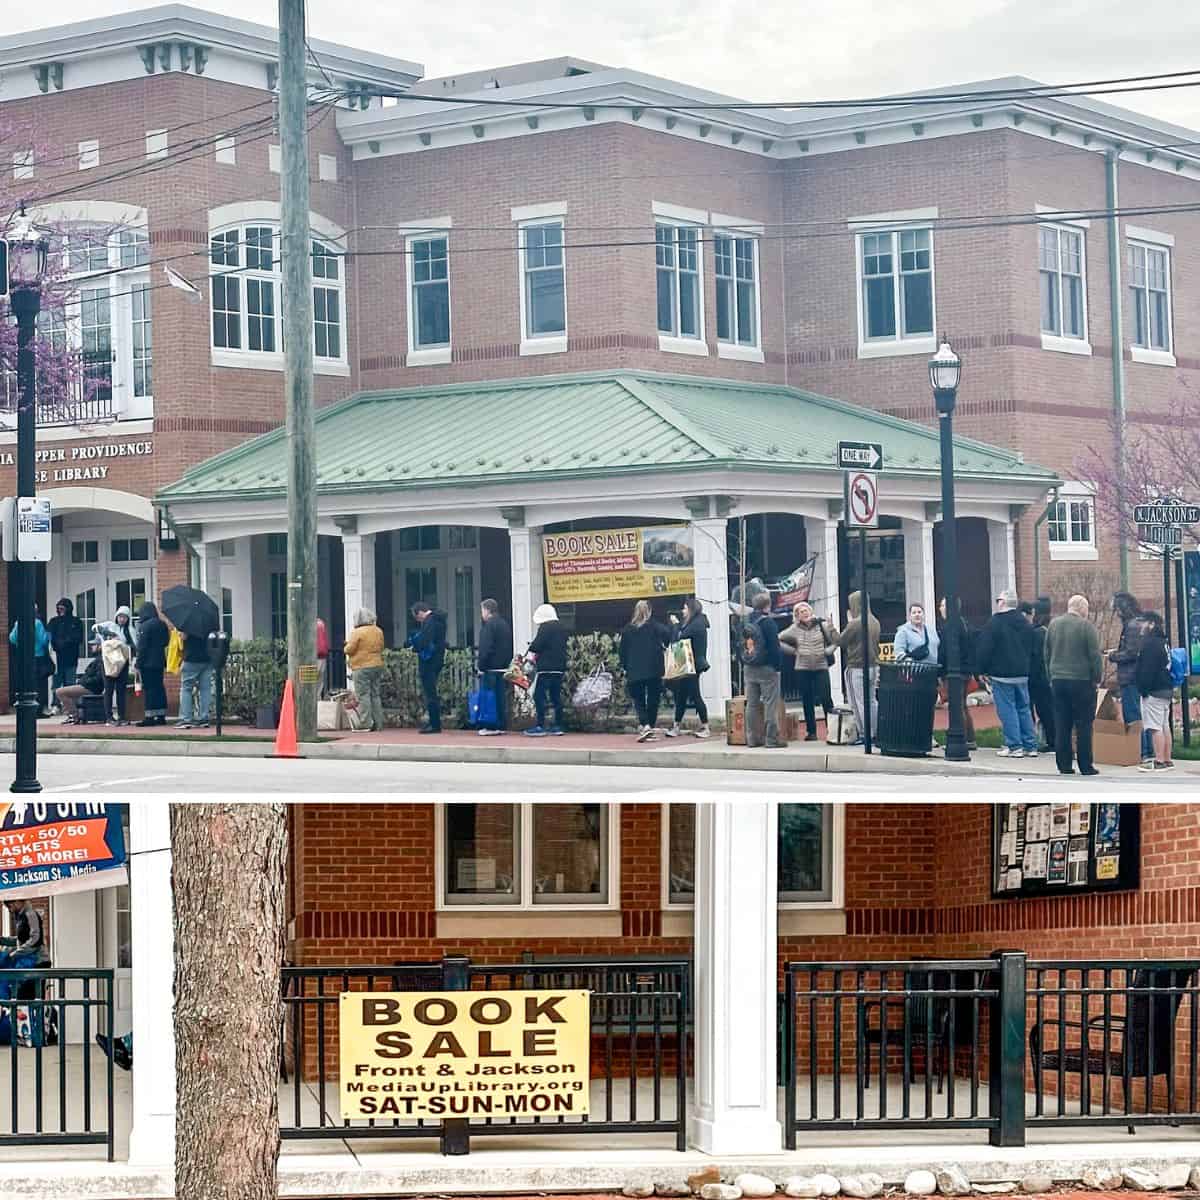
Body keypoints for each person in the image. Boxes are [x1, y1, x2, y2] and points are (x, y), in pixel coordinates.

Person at [1044, 593, 1103, 776]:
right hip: (1081, 681)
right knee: (1084, 725)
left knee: (1062, 724)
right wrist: (1097, 678)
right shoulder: (1086, 627)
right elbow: (1095, 656)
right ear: (1082, 608)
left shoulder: (1053, 625)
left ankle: (1064, 765)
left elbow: (1046, 654)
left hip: (1058, 680)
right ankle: (1086, 765)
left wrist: (1051, 676)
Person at [975, 588, 1038, 758]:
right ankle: (1030, 745)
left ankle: (1014, 745)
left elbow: (985, 648)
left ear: (1002, 603)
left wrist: (980, 670)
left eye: (998, 600)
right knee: (1023, 708)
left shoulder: (995, 622)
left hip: (1001, 674)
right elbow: (1032, 648)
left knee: (1007, 709)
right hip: (1022, 673)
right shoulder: (1025, 623)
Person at [780, 600, 837, 740]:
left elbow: (836, 641)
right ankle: (811, 732)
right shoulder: (794, 629)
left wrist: (828, 651)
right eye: (800, 612)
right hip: (802, 668)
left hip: (821, 666)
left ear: (811, 612)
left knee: (826, 698)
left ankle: (833, 730)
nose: (804, 613)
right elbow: (778, 639)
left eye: (806, 610)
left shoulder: (822, 625)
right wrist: (793, 651)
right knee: (807, 700)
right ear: (797, 616)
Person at [1110, 591, 1152, 766]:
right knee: (1143, 716)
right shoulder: (1139, 623)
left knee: (1133, 716)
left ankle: (1141, 751)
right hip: (1138, 677)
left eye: (1117, 609)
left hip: (1131, 677)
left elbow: (1131, 653)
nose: (1116, 613)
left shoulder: (1132, 625)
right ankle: (1148, 750)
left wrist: (1114, 656)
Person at [620, 600, 671, 742]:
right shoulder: (655, 626)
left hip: (634, 670)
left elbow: (622, 652)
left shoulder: (628, 629)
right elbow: (668, 635)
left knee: (639, 700)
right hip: (654, 669)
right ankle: (650, 726)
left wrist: (625, 666)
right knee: (654, 700)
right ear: (649, 611)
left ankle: (645, 725)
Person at [834, 590, 879, 748]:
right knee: (872, 701)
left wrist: (829, 626)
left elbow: (840, 641)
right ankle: (874, 732)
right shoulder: (874, 620)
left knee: (857, 702)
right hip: (873, 667)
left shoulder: (855, 622)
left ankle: (863, 734)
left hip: (857, 667)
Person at [743, 591, 786, 749]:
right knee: (770, 704)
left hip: (749, 666)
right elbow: (775, 647)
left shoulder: (746, 620)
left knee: (752, 704)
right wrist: (777, 666)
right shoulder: (768, 623)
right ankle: (771, 739)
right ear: (767, 605)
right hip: (767, 668)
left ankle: (752, 738)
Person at [1135, 610, 1176, 773]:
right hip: (1166, 689)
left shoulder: (1150, 643)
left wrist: (1143, 690)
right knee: (1164, 725)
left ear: (1151, 624)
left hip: (1154, 690)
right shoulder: (1163, 642)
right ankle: (1167, 759)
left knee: (1154, 727)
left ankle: (1159, 761)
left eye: (1143, 622)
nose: (1140, 625)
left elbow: (1147, 670)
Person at [666, 596, 711, 739]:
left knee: (694, 694)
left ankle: (705, 726)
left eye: (685, 608)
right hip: (688, 664)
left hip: (692, 665)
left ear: (691, 609)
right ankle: (677, 725)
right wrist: (678, 625)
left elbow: (679, 639)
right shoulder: (694, 623)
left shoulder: (696, 624)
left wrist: (675, 625)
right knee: (682, 695)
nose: (683, 610)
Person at [936, 597, 978, 751]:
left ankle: (960, 738)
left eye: (942, 605)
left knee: (957, 706)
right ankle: (970, 738)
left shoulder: (951, 626)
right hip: (965, 671)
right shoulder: (963, 623)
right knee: (962, 706)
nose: (940, 608)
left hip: (956, 672)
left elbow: (946, 651)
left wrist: (940, 671)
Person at [524, 603, 567, 736]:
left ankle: (540, 725)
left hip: (546, 668)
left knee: (539, 696)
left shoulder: (545, 627)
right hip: (559, 667)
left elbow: (537, 645)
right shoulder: (561, 628)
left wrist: (530, 647)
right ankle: (558, 725)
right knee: (555, 697)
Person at [405, 601, 448, 734]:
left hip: (429, 661)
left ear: (420, 613)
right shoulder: (439, 619)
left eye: (417, 617)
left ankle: (434, 724)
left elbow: (425, 641)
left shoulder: (430, 621)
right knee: (432, 692)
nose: (418, 620)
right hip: (438, 658)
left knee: (430, 693)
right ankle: (434, 722)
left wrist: (415, 646)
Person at [1022, 597, 1056, 752]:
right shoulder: (1051, 628)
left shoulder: (1036, 632)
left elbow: (1034, 657)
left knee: (1039, 710)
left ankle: (1040, 740)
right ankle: (1052, 740)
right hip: (1049, 675)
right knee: (1048, 709)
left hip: (1036, 677)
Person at [475, 599, 514, 736]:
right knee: (500, 697)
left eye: (482, 610)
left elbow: (485, 648)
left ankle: (490, 726)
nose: (482, 614)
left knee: (489, 697)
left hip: (490, 668)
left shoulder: (488, 626)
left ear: (487, 610)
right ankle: (501, 724)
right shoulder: (504, 625)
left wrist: (481, 666)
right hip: (502, 667)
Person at [344, 608, 385, 733]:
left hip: (362, 666)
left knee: (363, 695)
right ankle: (378, 723)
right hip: (377, 664)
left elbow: (349, 650)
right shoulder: (378, 630)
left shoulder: (357, 632)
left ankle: (365, 722)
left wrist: (346, 644)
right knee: (375, 694)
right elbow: (381, 646)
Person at [9, 608, 54, 717]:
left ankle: (26, 709)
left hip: (24, 658)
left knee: (27, 683)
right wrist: (48, 637)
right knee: (39, 684)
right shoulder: (37, 623)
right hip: (38, 657)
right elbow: (43, 640)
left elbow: (12, 638)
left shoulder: (18, 622)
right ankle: (38, 710)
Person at [134, 602, 169, 726]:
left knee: (149, 689)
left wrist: (138, 663)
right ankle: (161, 715)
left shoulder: (145, 626)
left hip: (147, 662)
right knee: (159, 687)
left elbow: (142, 647)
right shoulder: (162, 624)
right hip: (159, 661)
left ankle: (149, 716)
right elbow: (166, 641)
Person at [99, 607, 136, 725]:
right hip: (109, 662)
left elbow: (135, 645)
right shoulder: (110, 625)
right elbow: (95, 628)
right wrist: (109, 634)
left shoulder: (130, 630)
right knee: (108, 689)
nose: (121, 619)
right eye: (120, 616)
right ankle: (108, 717)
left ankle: (122, 716)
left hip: (122, 662)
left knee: (121, 690)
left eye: (124, 617)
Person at [47, 599, 84, 709]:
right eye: (59, 609)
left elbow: (79, 637)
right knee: (56, 683)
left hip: (71, 657)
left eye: (63, 609)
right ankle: (55, 704)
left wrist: (67, 641)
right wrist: (56, 644)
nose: (61, 611)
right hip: (57, 657)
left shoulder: (76, 622)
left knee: (70, 683)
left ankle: (70, 705)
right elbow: (49, 636)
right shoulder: (54, 621)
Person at [177, 627, 214, 729]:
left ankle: (186, 719)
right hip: (208, 657)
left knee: (186, 688)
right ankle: (204, 719)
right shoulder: (209, 620)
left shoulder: (188, 622)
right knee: (205, 689)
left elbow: (183, 637)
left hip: (191, 658)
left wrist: (181, 634)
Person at [56, 652, 105, 722]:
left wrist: (84, 681)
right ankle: (73, 715)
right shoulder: (97, 659)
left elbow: (98, 679)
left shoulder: (101, 660)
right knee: (66, 693)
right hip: (86, 686)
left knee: (60, 692)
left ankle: (74, 716)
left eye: (94, 645)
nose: (91, 647)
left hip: (90, 688)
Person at [316, 617, 330, 699]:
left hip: (313, 656)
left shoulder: (311, 625)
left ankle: (315, 700)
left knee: (311, 681)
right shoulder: (321, 624)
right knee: (320, 680)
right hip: (322, 656)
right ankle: (318, 699)